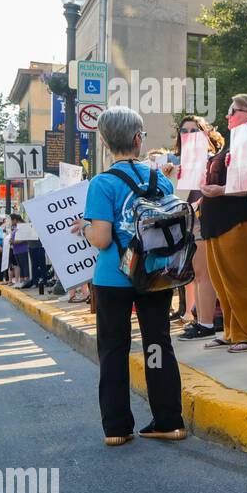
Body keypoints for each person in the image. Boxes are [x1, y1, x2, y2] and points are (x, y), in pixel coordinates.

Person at [73, 106, 185, 446]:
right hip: (154, 275)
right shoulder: (159, 179)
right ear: (139, 139)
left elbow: (102, 238)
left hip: (113, 279)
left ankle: (118, 427)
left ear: (106, 143)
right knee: (157, 344)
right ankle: (168, 420)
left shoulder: (102, 183)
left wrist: (85, 229)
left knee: (114, 349)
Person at [198, 94, 247, 354]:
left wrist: (220, 190)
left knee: (245, 280)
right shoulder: (234, 143)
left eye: (233, 111)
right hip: (218, 222)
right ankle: (232, 331)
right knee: (223, 282)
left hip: (239, 219)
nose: (228, 116)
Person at [169, 115, 224, 340]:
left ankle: (206, 323)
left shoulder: (213, 159)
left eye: (194, 131)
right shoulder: (179, 163)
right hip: (189, 220)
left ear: (205, 134)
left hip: (205, 218)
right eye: (185, 131)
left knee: (204, 274)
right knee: (197, 274)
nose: (189, 135)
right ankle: (201, 320)